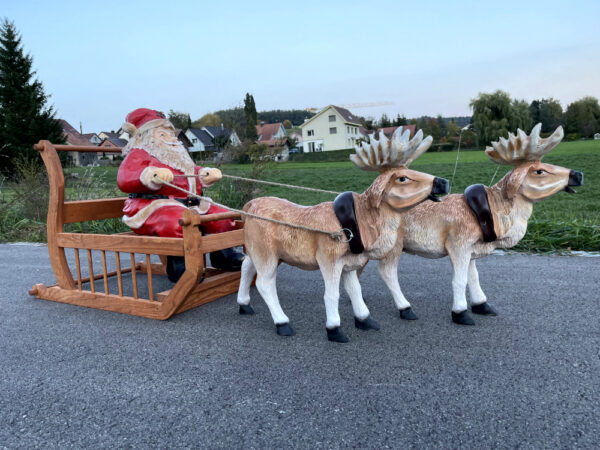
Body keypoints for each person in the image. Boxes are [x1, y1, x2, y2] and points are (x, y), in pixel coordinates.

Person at [117, 108, 244, 280]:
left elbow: (189, 171)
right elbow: (125, 177)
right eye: (162, 134)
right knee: (179, 221)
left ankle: (224, 256)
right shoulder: (139, 153)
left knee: (220, 215)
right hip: (152, 206)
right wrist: (150, 175)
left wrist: (204, 173)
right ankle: (183, 268)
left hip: (189, 203)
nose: (170, 137)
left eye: (170, 132)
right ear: (147, 136)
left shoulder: (178, 154)